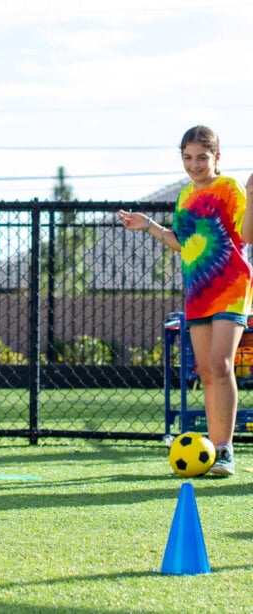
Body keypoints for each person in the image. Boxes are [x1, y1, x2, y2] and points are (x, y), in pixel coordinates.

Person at [119, 125, 253, 477]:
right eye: (188, 157)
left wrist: (252, 197)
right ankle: (213, 445)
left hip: (231, 287)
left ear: (217, 157)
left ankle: (224, 451)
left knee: (222, 364)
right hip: (198, 292)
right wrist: (146, 224)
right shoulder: (184, 198)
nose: (194, 165)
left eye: (202, 157)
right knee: (206, 370)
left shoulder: (230, 188)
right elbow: (183, 242)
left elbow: (248, 235)